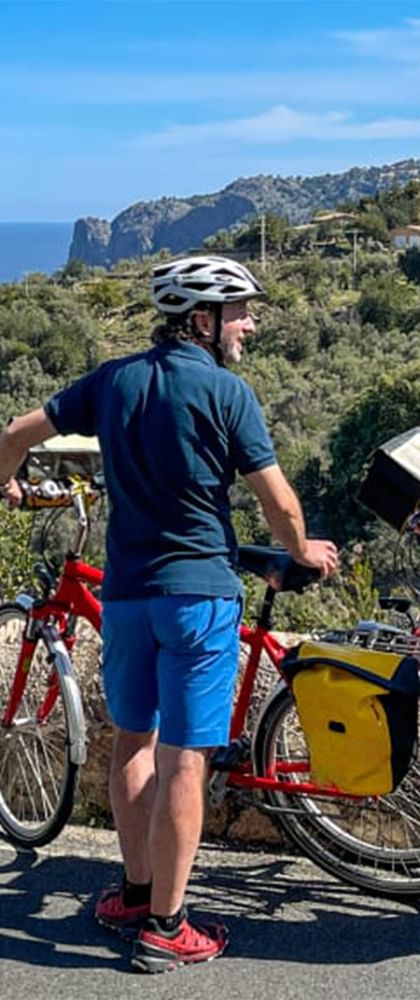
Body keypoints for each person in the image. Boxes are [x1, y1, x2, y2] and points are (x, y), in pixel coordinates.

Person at [0, 255, 338, 974]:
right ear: (203, 319)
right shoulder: (227, 392)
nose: (250, 324)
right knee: (187, 756)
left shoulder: (113, 380)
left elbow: (13, 433)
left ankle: (133, 893)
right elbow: (277, 502)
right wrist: (300, 547)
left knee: (133, 741)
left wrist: (10, 487)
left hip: (126, 596)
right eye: (240, 312)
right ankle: (167, 926)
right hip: (199, 599)